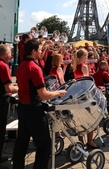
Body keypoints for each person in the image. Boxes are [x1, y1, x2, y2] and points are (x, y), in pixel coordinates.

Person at [12, 39, 67, 169]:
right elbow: (43, 94)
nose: (42, 52)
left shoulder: (21, 66)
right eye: (40, 50)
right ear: (33, 51)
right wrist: (58, 92)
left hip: (22, 107)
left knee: (22, 142)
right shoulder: (34, 68)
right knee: (45, 145)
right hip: (33, 110)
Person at [72, 48, 99, 149]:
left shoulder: (75, 66)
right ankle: (90, 141)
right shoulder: (83, 66)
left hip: (77, 94)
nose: (87, 58)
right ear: (83, 56)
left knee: (79, 119)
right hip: (85, 94)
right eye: (86, 56)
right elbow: (87, 82)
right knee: (90, 118)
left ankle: (81, 142)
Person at [0, 44, 18, 168]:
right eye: (10, 53)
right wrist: (22, 88)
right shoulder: (3, 66)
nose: (11, 55)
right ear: (5, 54)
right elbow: (9, 87)